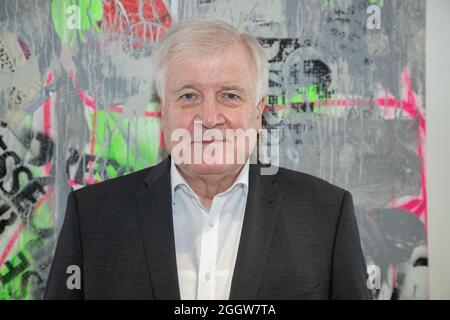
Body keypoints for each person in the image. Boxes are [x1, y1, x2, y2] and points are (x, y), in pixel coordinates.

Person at [44, 19, 370, 300]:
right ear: (162, 112)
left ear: (259, 112)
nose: (209, 117)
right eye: (188, 96)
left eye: (230, 95)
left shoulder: (327, 214)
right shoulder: (91, 217)